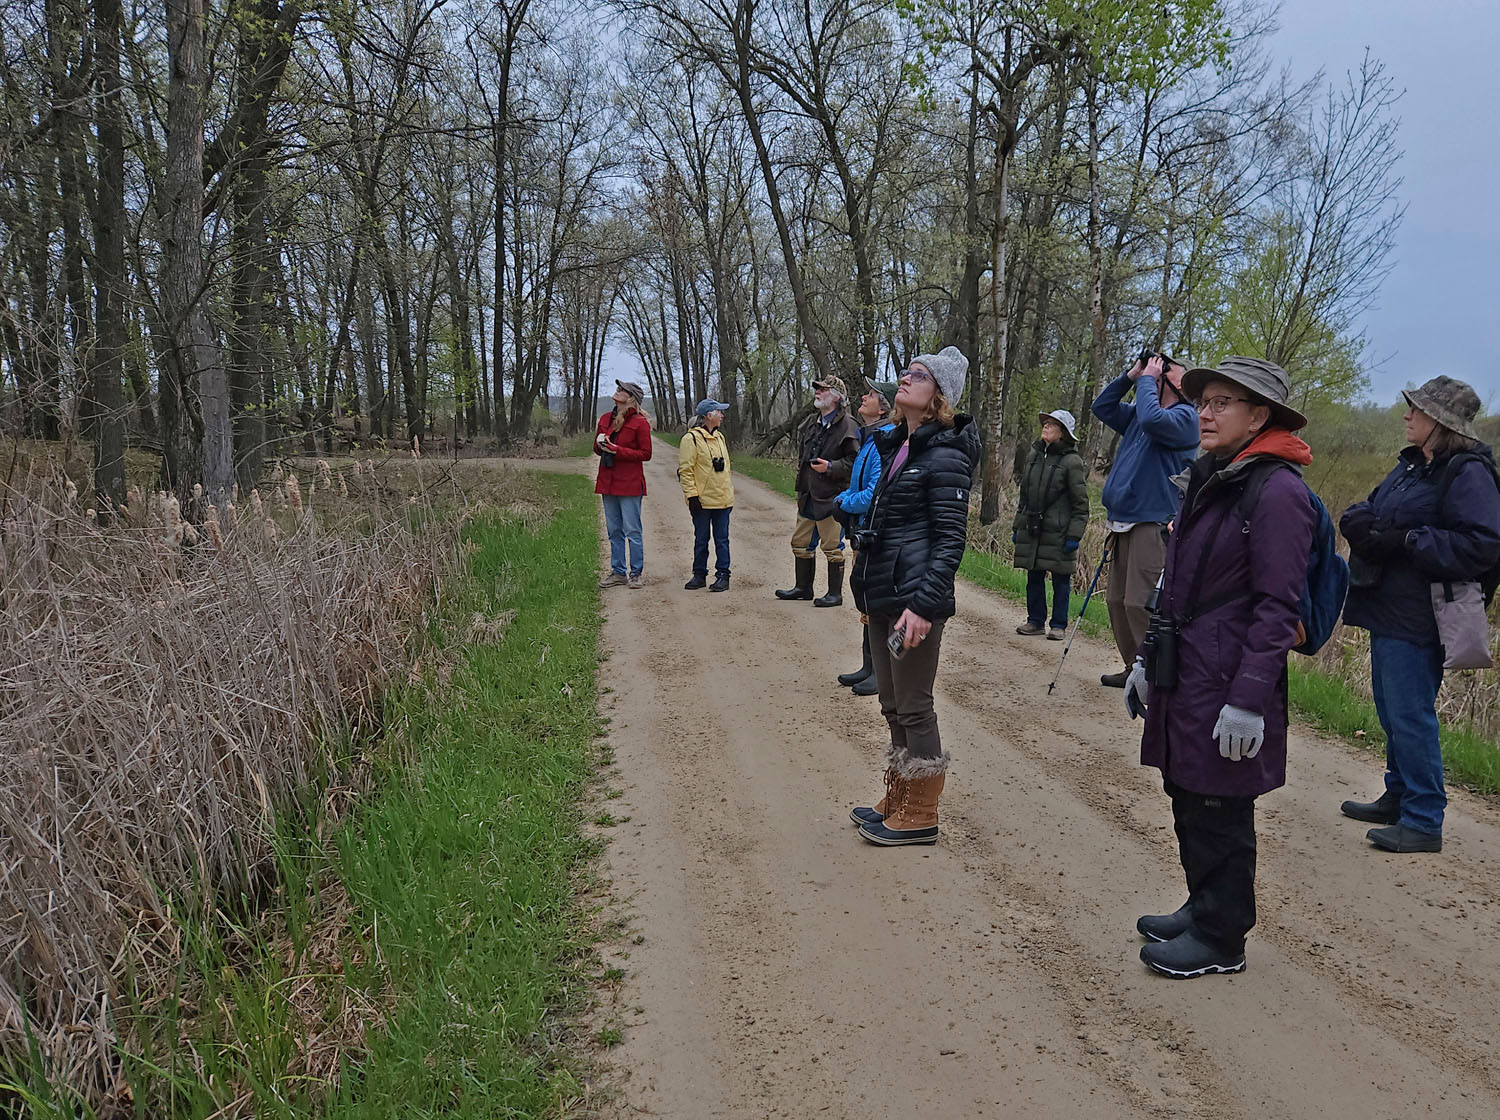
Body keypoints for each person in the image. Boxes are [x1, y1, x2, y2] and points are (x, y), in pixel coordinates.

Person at [1126, 356, 1315, 979]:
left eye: (1223, 403)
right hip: (1189, 668)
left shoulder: (1278, 491)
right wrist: (1148, 661)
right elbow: (1176, 586)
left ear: (1259, 416)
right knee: (1187, 791)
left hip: (1229, 675)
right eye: (1203, 401)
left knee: (1220, 805)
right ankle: (1203, 903)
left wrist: (1249, 699)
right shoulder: (1212, 475)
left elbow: (1277, 607)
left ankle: (1221, 937)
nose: (1204, 412)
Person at [1337, 376, 1500, 853]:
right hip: (1387, 604)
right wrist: (1359, 522)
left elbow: (1484, 544)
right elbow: (1370, 506)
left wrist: (1407, 541)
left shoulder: (1467, 473)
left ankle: (1425, 819)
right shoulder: (1412, 466)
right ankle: (1400, 794)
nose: (1407, 415)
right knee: (1391, 709)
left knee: (1410, 714)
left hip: (1422, 614)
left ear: (1440, 424)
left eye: (1417, 410)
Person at [847, 347, 980, 846]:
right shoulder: (895, 445)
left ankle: (921, 812)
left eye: (918, 375)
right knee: (890, 702)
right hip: (885, 593)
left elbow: (950, 540)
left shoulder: (946, 454)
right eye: (905, 371)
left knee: (915, 705)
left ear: (939, 396)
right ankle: (900, 794)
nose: (905, 378)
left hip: (914, 600)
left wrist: (923, 606)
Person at [1091, 353, 1200, 686]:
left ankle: (1154, 674)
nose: (1168, 376)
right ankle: (1134, 669)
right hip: (1123, 519)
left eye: (1170, 373)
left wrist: (1145, 383)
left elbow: (1153, 420)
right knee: (1116, 602)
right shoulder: (1143, 413)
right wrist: (1131, 376)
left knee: (1141, 603)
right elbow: (1103, 407)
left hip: (1153, 522)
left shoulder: (1186, 418)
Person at [775, 375, 862, 607]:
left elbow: (856, 463)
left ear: (836, 396)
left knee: (832, 547)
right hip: (808, 494)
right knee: (800, 543)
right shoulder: (812, 423)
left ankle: (835, 594)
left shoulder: (849, 426)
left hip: (832, 496)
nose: (818, 392)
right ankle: (803, 588)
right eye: (818, 388)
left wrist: (831, 467)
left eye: (823, 389)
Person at [835, 381, 899, 696]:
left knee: (876, 603)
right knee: (864, 600)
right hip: (862, 532)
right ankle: (868, 666)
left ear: (884, 406)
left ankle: (881, 672)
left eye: (871, 394)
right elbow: (856, 484)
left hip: (874, 533)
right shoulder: (869, 438)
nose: (864, 397)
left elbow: (874, 493)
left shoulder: (885, 439)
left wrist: (844, 503)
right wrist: (842, 498)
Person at [1012, 409, 1090, 639]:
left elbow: (1081, 503)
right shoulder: (1033, 456)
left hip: (1059, 531)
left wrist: (1074, 535)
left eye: (1052, 424)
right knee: (1034, 575)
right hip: (1033, 527)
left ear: (1063, 433)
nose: (1045, 426)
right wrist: (1018, 525)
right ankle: (1035, 621)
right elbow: (1024, 495)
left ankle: (1058, 625)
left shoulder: (1072, 462)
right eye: (1045, 423)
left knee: (1060, 579)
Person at [594, 380, 653, 589]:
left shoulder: (639, 423)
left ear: (631, 397)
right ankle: (618, 572)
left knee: (632, 530)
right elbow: (597, 449)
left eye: (622, 390)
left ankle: (635, 572)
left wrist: (618, 450)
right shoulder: (605, 419)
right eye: (618, 388)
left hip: (629, 483)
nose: (617, 391)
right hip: (608, 481)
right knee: (613, 531)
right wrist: (601, 444)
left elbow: (646, 454)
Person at [678, 398, 735, 592]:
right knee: (701, 539)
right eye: (720, 412)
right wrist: (692, 496)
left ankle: (723, 575)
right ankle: (699, 574)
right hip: (702, 501)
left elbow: (726, 469)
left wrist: (729, 494)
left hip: (722, 499)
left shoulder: (720, 438)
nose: (723, 416)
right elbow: (685, 470)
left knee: (722, 540)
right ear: (709, 415)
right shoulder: (690, 439)